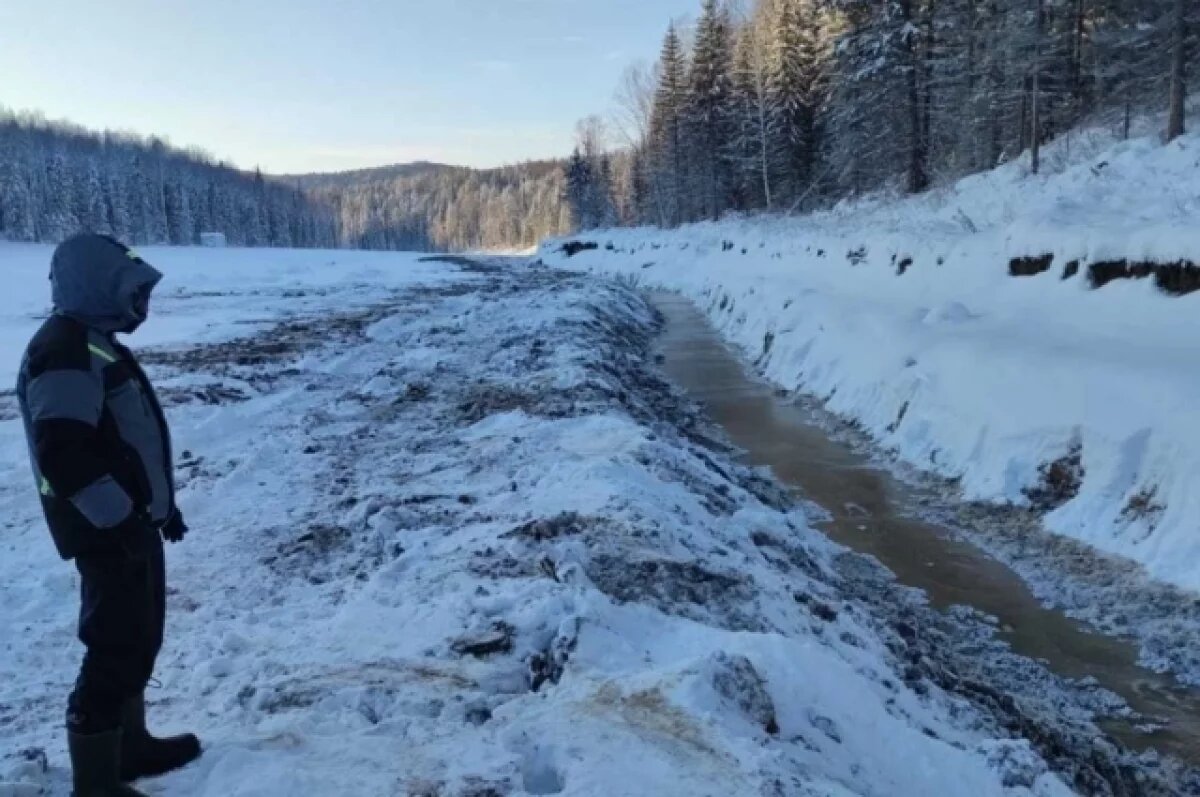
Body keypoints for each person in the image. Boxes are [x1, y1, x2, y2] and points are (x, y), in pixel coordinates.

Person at [16, 233, 202, 796]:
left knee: (139, 637)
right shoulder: (64, 348)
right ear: (98, 285)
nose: (142, 305)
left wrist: (157, 509)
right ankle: (96, 784)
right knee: (113, 646)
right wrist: (117, 519)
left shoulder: (95, 340)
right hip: (104, 530)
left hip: (129, 523)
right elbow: (64, 455)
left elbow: (124, 439)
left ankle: (130, 746)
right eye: (133, 292)